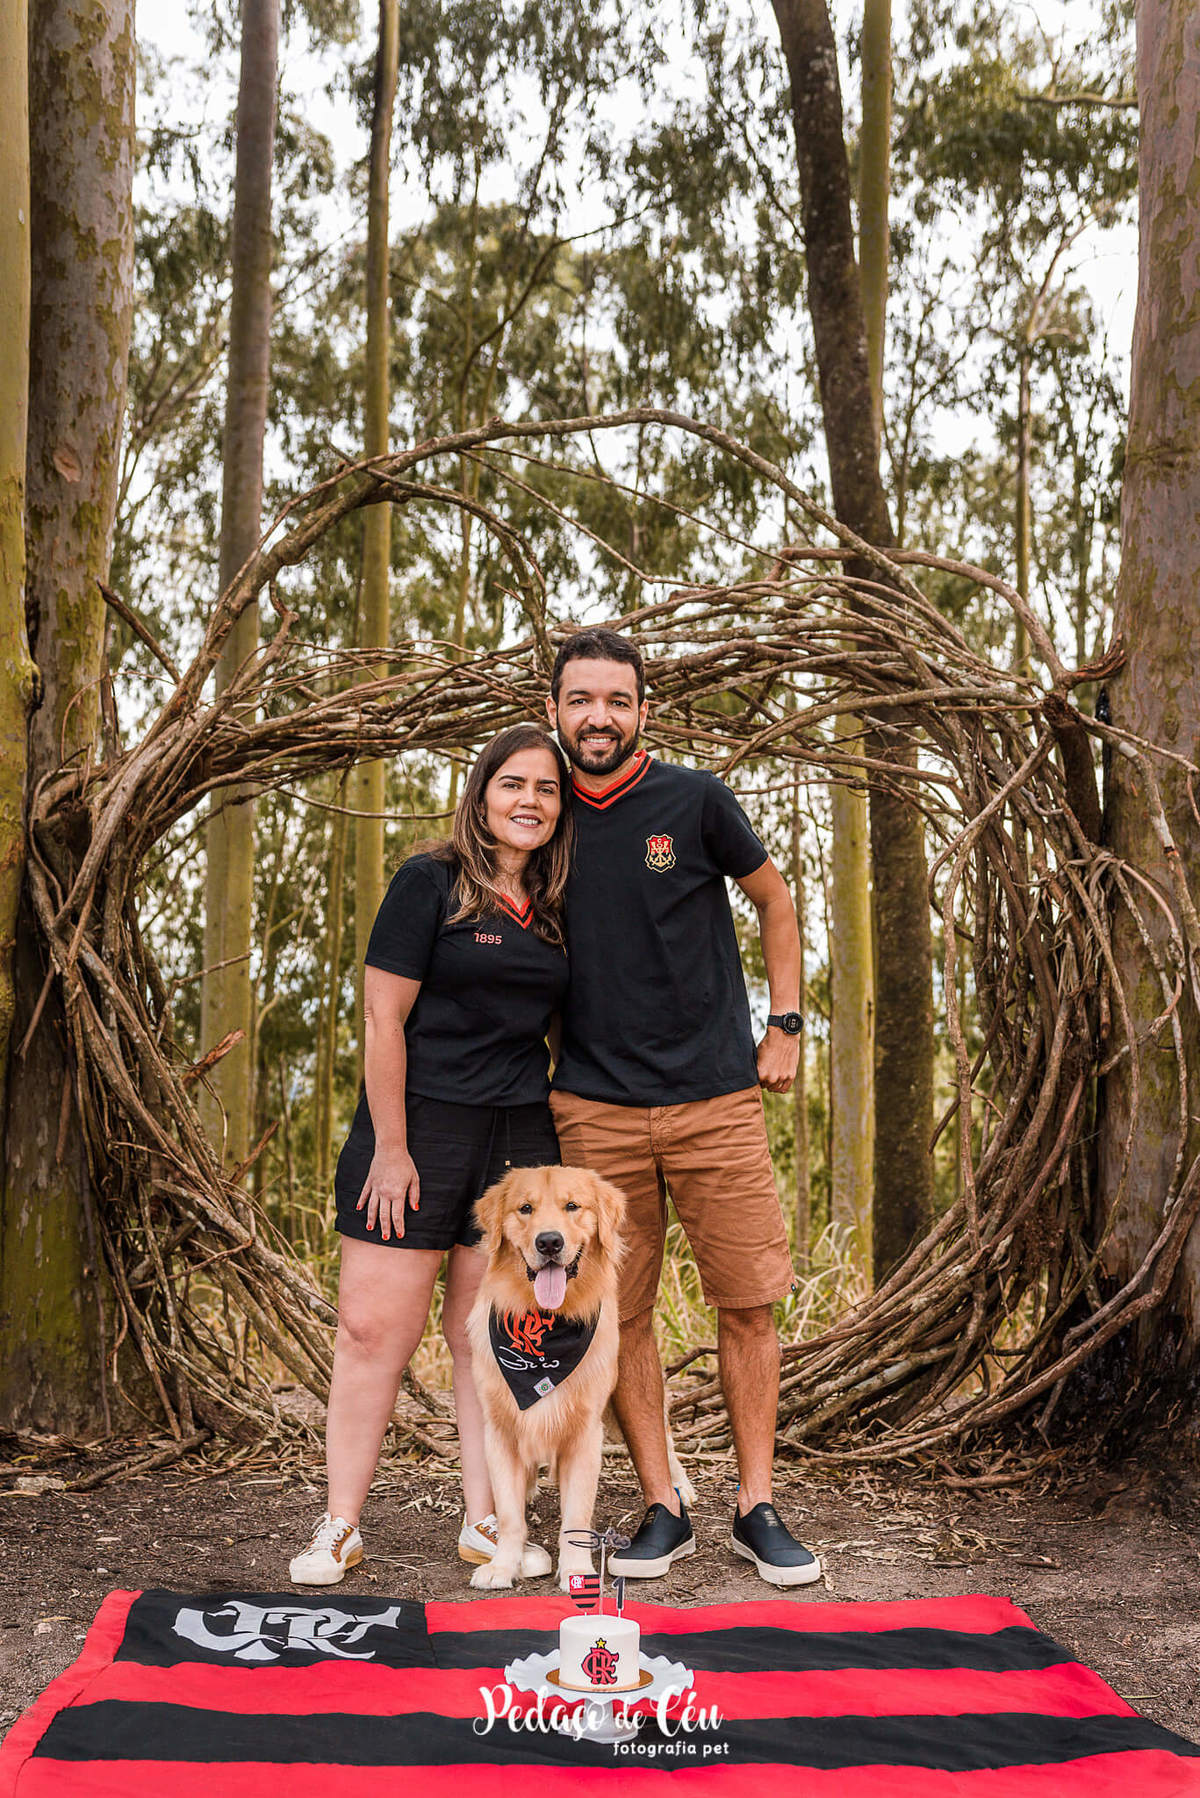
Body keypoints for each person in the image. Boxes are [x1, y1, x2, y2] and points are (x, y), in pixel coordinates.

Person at [545, 627, 820, 1587]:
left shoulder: (696, 800)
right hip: (594, 1109)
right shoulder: (541, 819)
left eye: (617, 700)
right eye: (582, 700)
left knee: (747, 1301)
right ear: (555, 712)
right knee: (617, 1315)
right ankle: (664, 1505)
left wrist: (784, 1023)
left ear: (642, 712)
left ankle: (756, 1506)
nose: (599, 718)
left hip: (715, 1098)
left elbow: (775, 900)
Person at [289, 724, 572, 1584]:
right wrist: (392, 1147)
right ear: (482, 793)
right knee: (374, 1329)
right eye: (513, 784)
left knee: (491, 1335)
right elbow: (382, 1019)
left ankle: (489, 1521)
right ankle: (339, 1524)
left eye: (548, 789)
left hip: (520, 1140)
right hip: (418, 1129)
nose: (530, 801)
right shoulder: (430, 882)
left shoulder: (559, 906)